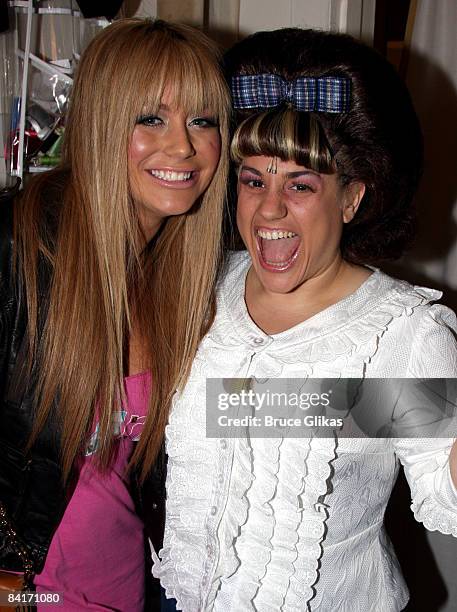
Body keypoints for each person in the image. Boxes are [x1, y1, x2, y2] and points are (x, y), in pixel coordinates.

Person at [152, 28, 457, 611]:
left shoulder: (402, 336)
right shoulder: (199, 288)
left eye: (301, 184)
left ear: (352, 197)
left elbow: (445, 496)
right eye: (252, 180)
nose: (269, 208)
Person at [0, 18, 230, 611]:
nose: (182, 146)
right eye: (150, 118)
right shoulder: (17, 249)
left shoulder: (192, 281)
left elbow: (255, 412)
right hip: (28, 591)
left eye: (202, 120)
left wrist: (421, 415)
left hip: (126, 586)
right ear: (103, 123)